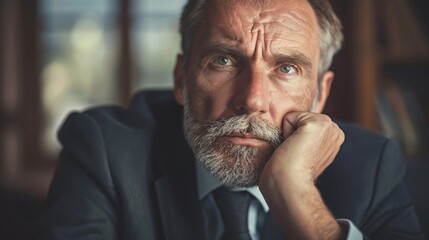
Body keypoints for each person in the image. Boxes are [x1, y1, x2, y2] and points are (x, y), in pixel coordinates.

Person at [37, 0, 422, 239]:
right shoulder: (104, 150)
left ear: (320, 93)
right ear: (180, 79)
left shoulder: (372, 166)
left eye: (286, 68)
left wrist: (297, 196)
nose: (252, 99)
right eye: (223, 61)